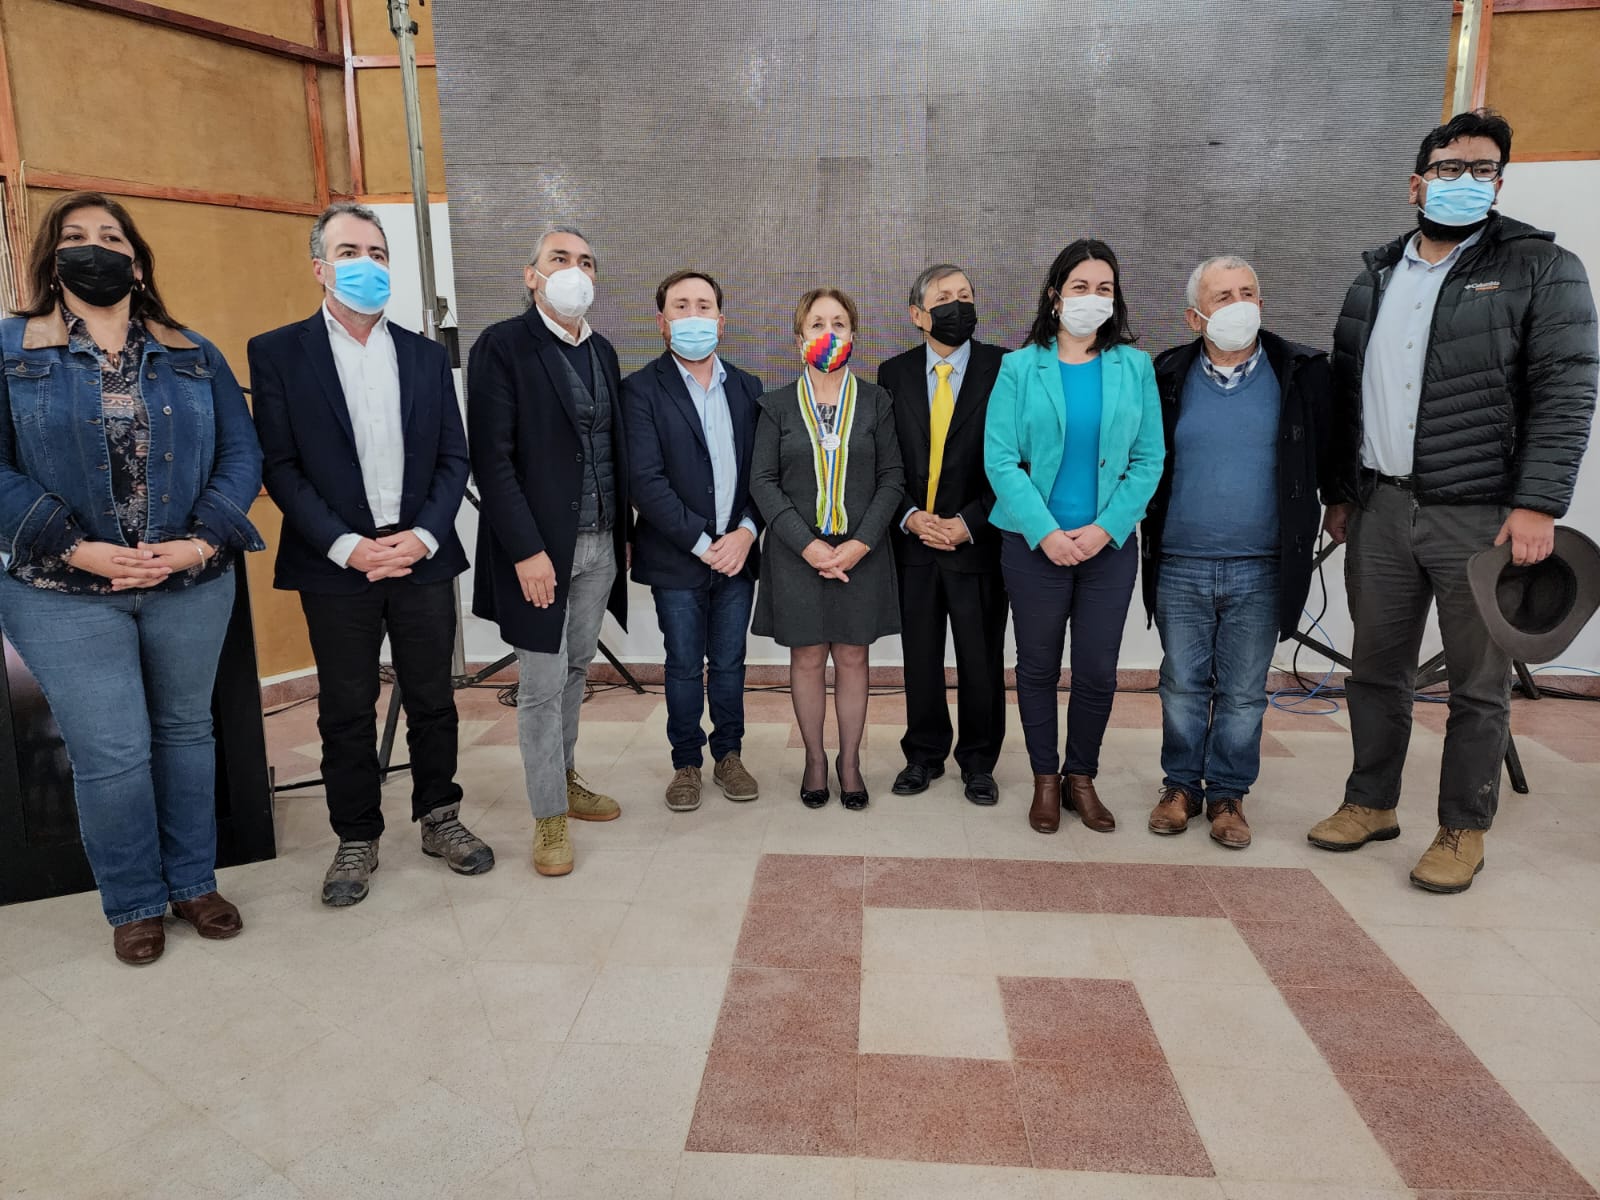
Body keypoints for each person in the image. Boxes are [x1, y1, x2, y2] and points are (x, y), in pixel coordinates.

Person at [1312, 109, 1597, 892]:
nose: (1464, 181)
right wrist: (1341, 492)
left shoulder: (1543, 268)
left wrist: (1538, 504)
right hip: (1380, 506)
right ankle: (1370, 801)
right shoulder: (1375, 277)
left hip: (1482, 516)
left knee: (1478, 682)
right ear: (1417, 183)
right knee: (1376, 669)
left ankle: (1462, 827)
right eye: (1448, 168)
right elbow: (1347, 396)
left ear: (1499, 184)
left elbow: (1567, 393)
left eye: (1481, 170)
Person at [0, 192, 264, 964]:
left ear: (137, 262)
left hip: (187, 581)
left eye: (112, 237)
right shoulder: (13, 349)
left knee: (186, 732)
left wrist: (201, 541)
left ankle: (193, 883)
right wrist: (73, 546)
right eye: (76, 236)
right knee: (111, 750)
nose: (96, 248)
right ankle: (136, 901)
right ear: (52, 259)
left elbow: (241, 453)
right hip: (62, 591)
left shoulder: (193, 352)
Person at [250, 202, 492, 907]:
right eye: (351, 252)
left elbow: (453, 455)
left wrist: (425, 535)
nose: (368, 265)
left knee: (434, 697)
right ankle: (356, 834)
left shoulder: (424, 355)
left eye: (379, 254)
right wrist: (348, 546)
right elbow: (280, 465)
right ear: (320, 268)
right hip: (336, 564)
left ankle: (440, 815)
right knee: (347, 707)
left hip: (420, 555)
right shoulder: (278, 352)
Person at [1141, 255, 1335, 849]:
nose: (1239, 305)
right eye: (1222, 297)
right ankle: (1180, 786)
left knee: (1245, 691)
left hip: (1262, 564)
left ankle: (1228, 794)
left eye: (1248, 293)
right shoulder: (1165, 375)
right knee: (1181, 684)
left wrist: (1343, 506)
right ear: (1194, 317)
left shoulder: (1300, 373)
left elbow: (1331, 453)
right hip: (1181, 561)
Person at [984, 239, 1163, 836]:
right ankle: (1044, 778)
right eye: (1081, 287)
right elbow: (1000, 460)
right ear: (1055, 295)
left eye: (1104, 288)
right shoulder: (1018, 368)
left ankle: (1080, 777)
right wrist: (1046, 533)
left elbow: (1149, 459)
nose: (1093, 298)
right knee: (1036, 667)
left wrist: (1106, 528)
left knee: (1096, 670)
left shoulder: (1135, 367)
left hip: (1107, 549)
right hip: (1033, 546)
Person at [469, 225, 629, 877]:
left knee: (576, 669)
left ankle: (563, 775)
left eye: (586, 261)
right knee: (539, 683)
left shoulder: (604, 351)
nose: (575, 270)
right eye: (559, 258)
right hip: (538, 553)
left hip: (600, 545)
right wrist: (527, 551)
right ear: (531, 275)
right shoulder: (502, 346)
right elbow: (492, 459)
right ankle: (548, 816)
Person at [750, 288, 905, 810]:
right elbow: (763, 482)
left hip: (863, 552)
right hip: (797, 554)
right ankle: (815, 760)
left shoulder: (878, 402)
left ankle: (850, 762)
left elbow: (892, 478)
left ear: (853, 334)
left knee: (855, 656)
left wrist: (860, 543)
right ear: (800, 338)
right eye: (817, 324)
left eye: (839, 323)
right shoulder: (774, 405)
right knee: (808, 655)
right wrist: (808, 546)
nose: (829, 332)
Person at [624, 270, 764, 812]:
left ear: (721, 322)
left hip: (738, 555)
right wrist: (705, 544)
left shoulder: (749, 388)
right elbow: (645, 482)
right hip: (678, 557)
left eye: (704, 306)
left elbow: (763, 474)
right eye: (681, 306)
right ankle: (686, 762)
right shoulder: (639, 390)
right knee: (683, 664)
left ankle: (729, 754)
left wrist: (745, 533)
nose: (693, 316)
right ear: (662, 322)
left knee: (730, 663)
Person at [878, 264, 1008, 806]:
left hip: (978, 541)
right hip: (914, 542)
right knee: (921, 657)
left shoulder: (1006, 368)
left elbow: (1019, 460)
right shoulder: (893, 374)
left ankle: (979, 762)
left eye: (966, 295)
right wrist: (909, 515)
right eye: (944, 297)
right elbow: (885, 459)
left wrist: (970, 522)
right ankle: (924, 754)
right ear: (918, 314)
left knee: (981, 659)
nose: (959, 305)